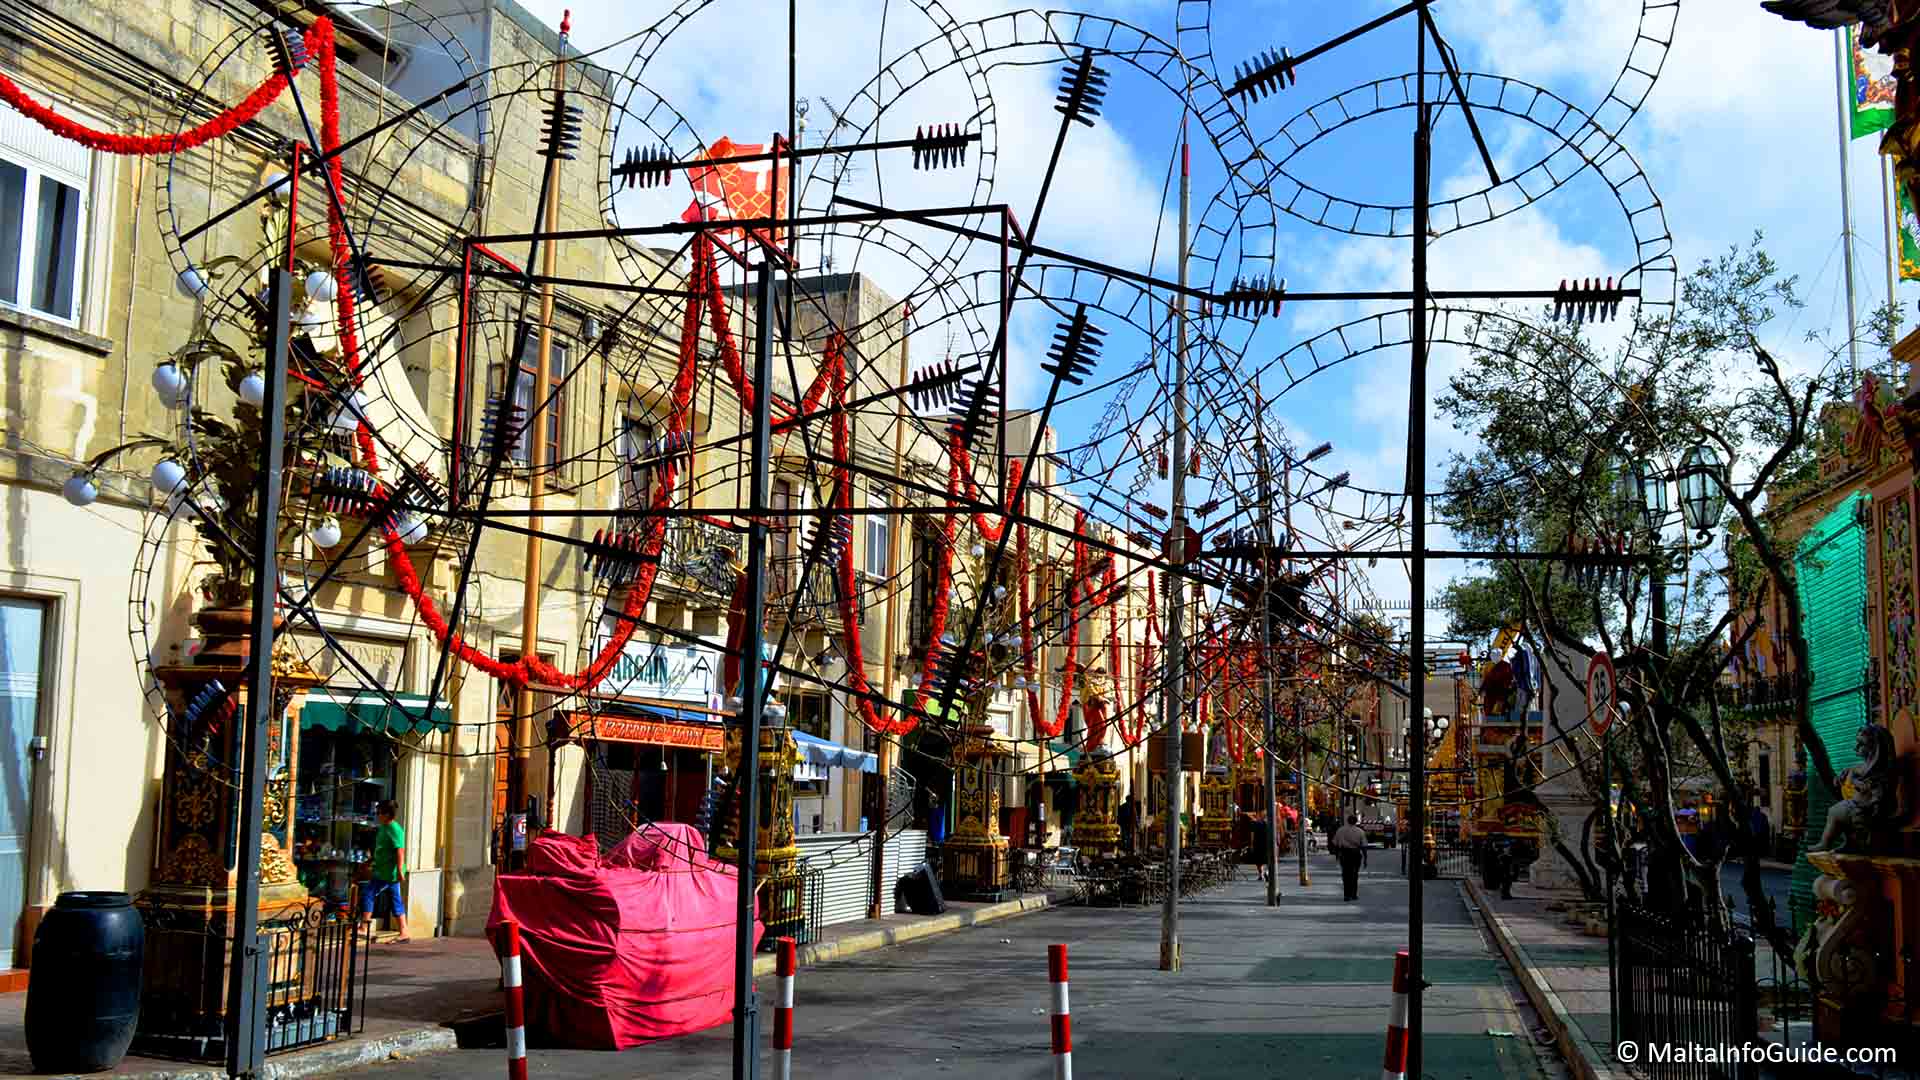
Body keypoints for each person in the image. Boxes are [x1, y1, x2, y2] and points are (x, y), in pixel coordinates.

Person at [362, 800, 408, 943]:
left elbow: (399, 850)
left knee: (370, 894)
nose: (377, 815)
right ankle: (404, 931)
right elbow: (381, 849)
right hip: (381, 870)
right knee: (393, 900)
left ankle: (364, 927)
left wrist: (400, 870)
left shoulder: (395, 829)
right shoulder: (384, 827)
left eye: (379, 813)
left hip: (389, 873)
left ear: (387, 814)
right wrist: (369, 862)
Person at [1330, 814, 1369, 901]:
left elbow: (1335, 844)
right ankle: (1354, 894)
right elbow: (1363, 846)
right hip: (1355, 854)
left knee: (1346, 875)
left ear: (1347, 821)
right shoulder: (1360, 831)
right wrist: (1365, 859)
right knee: (1354, 875)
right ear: (1356, 821)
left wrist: (1337, 855)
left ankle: (1346, 895)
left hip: (1344, 854)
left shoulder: (1340, 830)